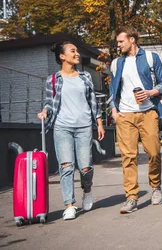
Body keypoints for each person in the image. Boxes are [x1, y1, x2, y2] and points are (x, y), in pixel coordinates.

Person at [37, 41, 105, 220]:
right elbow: (49, 103)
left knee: (85, 167)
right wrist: (45, 111)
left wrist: (99, 123)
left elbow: (93, 102)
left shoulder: (85, 77)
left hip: (83, 126)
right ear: (62, 56)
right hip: (62, 127)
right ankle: (69, 205)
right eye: (72, 51)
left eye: (76, 51)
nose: (76, 54)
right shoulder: (52, 80)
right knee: (66, 166)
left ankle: (87, 190)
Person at [108, 26, 162, 213]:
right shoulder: (116, 63)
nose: (118, 45)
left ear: (132, 40)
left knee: (154, 152)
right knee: (128, 157)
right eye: (118, 42)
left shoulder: (151, 58)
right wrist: (114, 111)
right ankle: (132, 197)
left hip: (148, 111)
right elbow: (113, 89)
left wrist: (151, 92)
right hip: (125, 115)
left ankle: (156, 187)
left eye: (121, 41)